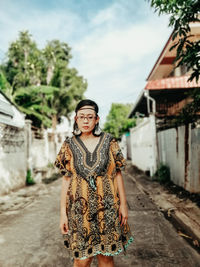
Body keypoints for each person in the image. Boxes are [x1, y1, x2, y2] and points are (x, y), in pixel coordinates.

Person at [54, 99, 134, 267]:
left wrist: (123, 205)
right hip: (79, 212)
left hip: (108, 209)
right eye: (81, 117)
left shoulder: (109, 142)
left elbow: (117, 173)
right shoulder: (69, 145)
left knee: (106, 258)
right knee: (82, 260)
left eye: (89, 117)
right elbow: (66, 178)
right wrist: (62, 212)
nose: (85, 121)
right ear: (76, 119)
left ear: (97, 119)